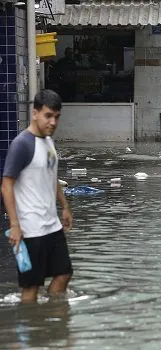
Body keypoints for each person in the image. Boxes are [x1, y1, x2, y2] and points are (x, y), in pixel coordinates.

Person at [1, 89, 74, 304]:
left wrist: (65, 206)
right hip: (30, 229)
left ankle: (50, 322)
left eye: (57, 117)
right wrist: (14, 225)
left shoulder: (48, 142)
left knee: (64, 274)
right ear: (35, 113)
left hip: (52, 225)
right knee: (31, 288)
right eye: (48, 116)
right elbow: (6, 185)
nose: (53, 122)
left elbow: (52, 177)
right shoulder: (22, 144)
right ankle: (31, 330)